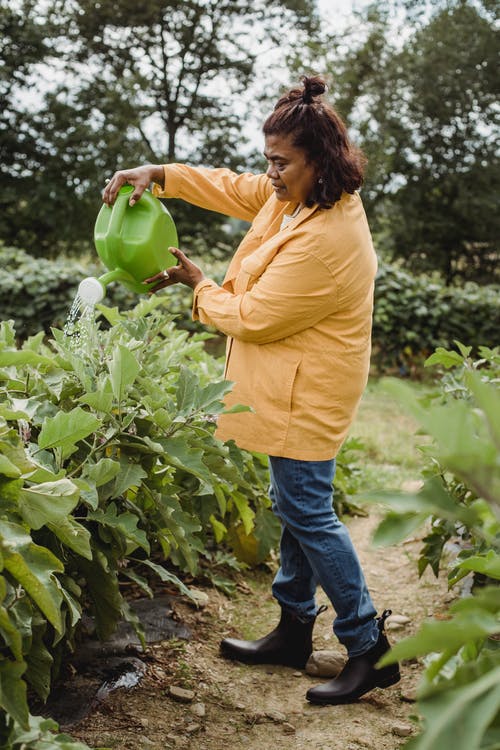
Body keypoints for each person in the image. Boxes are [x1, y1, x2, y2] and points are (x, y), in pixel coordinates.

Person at [102, 75, 400, 705]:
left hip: (308, 393)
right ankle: (294, 632)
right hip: (288, 385)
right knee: (293, 504)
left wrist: (198, 284)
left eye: (280, 162)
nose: (268, 173)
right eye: (268, 159)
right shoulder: (298, 197)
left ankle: (368, 647)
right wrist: (158, 173)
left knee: (310, 515)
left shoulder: (328, 239)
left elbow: (256, 314)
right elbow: (234, 188)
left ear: (319, 159)